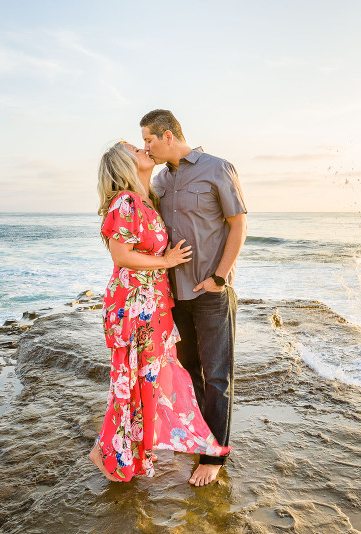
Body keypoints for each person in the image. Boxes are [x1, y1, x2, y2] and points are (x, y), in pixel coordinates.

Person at [89, 141, 231, 482]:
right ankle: (108, 453)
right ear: (126, 165)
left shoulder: (147, 200)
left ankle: (121, 451)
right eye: (137, 149)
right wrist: (166, 261)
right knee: (132, 378)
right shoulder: (125, 202)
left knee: (144, 379)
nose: (145, 151)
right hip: (135, 305)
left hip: (152, 304)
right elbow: (120, 255)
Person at [141, 110, 247, 486]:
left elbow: (239, 225)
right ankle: (202, 439)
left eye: (149, 140)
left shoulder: (218, 168)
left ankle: (214, 455)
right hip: (174, 294)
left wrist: (220, 277)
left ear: (167, 135)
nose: (146, 147)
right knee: (190, 374)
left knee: (218, 376)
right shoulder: (158, 179)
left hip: (210, 291)